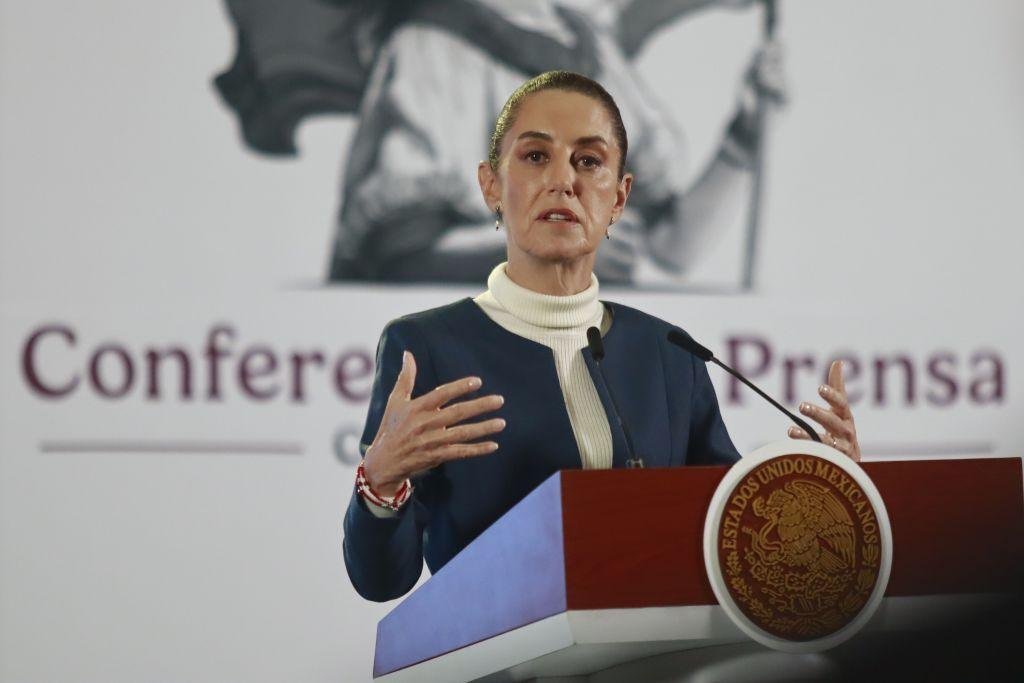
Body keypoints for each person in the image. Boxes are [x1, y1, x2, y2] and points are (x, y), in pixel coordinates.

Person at [342, 71, 859, 602]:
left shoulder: (669, 354)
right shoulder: (428, 347)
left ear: (619, 196)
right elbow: (383, 580)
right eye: (536, 157)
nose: (564, 180)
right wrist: (381, 484)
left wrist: (829, 490)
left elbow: (734, 536)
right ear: (491, 184)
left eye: (589, 161)